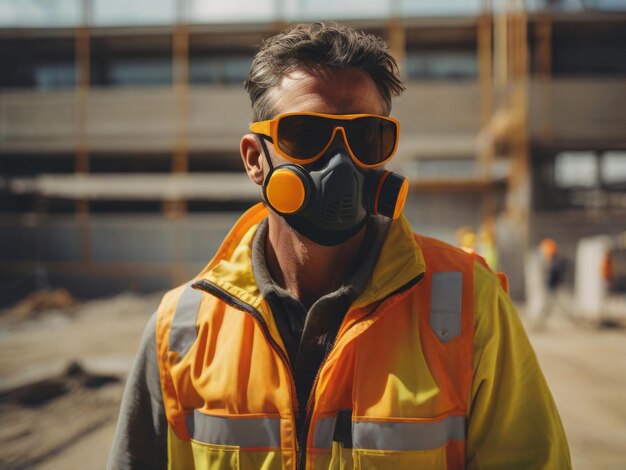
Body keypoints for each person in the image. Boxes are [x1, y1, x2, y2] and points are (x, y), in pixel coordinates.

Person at [108, 23, 571, 469]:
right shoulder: (181, 330)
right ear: (255, 159)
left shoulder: (471, 306)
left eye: (366, 137)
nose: (340, 163)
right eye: (306, 135)